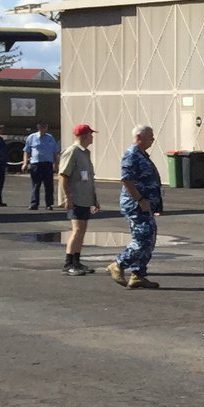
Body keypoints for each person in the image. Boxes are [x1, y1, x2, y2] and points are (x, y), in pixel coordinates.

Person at [108, 124, 163, 290]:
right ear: (139, 137)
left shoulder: (142, 155)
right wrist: (139, 199)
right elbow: (126, 180)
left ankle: (138, 275)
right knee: (142, 239)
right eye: (150, 136)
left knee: (150, 238)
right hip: (136, 205)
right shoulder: (132, 154)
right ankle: (118, 264)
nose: (153, 139)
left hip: (146, 205)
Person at [56, 124, 102, 275]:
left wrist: (94, 199)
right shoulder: (73, 152)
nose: (92, 137)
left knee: (82, 230)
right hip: (75, 198)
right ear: (84, 136)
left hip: (84, 198)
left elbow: (88, 178)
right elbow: (63, 176)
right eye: (90, 134)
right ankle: (68, 264)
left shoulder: (85, 153)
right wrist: (67, 197)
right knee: (76, 230)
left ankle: (77, 261)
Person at [25, 121, 59, 211]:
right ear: (38, 127)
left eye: (45, 126)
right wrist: (25, 163)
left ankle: (49, 204)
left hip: (47, 164)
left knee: (49, 185)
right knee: (36, 185)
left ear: (47, 128)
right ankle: (34, 204)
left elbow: (55, 152)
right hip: (36, 164)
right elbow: (26, 151)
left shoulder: (50, 138)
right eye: (41, 126)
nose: (43, 128)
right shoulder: (31, 137)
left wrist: (56, 165)